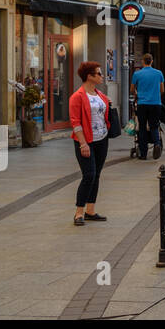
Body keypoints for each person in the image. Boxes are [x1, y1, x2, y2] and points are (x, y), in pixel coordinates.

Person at [70, 61, 111, 226]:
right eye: (99, 73)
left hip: (102, 139)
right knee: (89, 175)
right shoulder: (77, 97)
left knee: (97, 175)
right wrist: (83, 143)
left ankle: (90, 210)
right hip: (86, 141)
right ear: (89, 76)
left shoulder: (100, 95)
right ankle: (79, 212)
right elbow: (75, 122)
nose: (102, 76)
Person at [129, 53, 164, 160]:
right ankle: (157, 144)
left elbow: (132, 89)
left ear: (143, 62)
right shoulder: (159, 73)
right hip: (155, 104)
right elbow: (162, 90)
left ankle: (143, 153)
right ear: (152, 61)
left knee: (142, 128)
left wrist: (137, 94)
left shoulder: (137, 74)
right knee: (154, 126)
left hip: (142, 104)